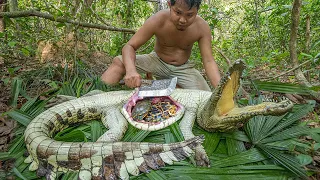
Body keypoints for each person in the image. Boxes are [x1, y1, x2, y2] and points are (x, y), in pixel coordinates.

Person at [101, 0, 221, 91]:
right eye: (178, 12)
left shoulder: (202, 27)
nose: (183, 20)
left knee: (207, 98)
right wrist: (131, 70)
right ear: (169, 5)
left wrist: (221, 90)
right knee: (119, 62)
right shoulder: (158, 19)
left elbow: (209, 61)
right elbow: (129, 46)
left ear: (197, 11)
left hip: (183, 69)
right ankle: (98, 94)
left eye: (190, 15)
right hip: (157, 61)